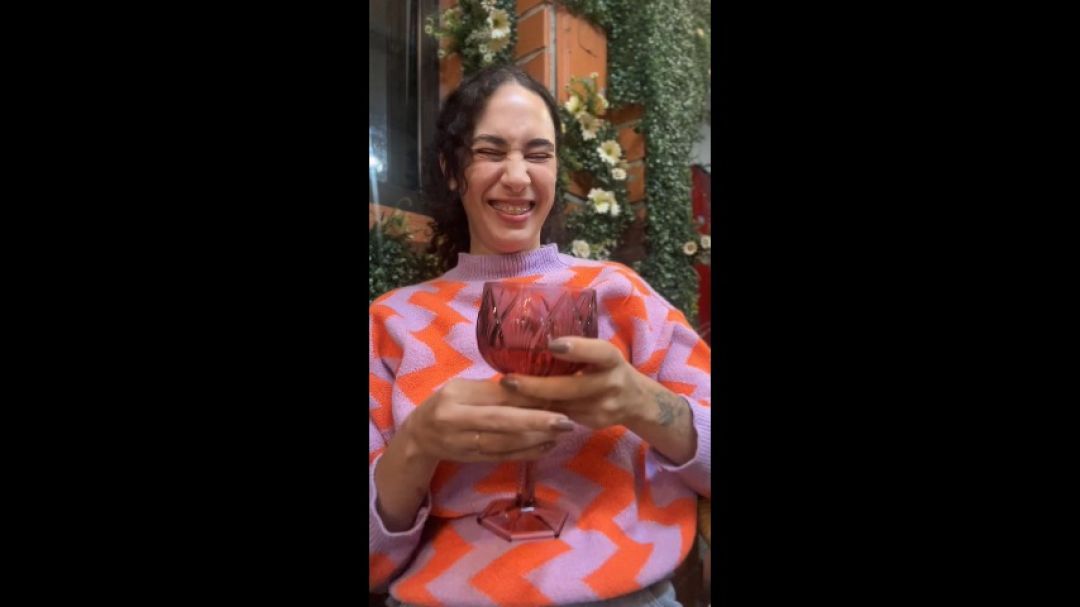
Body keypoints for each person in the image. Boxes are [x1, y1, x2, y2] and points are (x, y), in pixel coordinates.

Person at [369, 65, 711, 607]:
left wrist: (645, 402)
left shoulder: (620, 293)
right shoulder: (391, 321)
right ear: (451, 171)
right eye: (490, 151)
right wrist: (416, 445)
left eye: (538, 154)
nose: (517, 176)